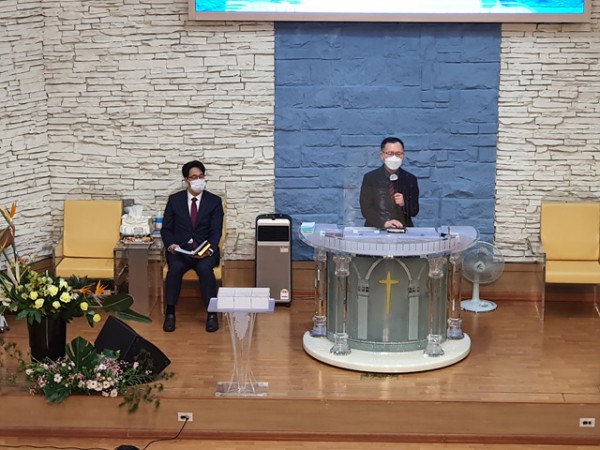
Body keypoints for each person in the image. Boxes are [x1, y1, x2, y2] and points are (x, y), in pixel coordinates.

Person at [161, 160, 224, 333]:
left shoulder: (214, 201)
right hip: (181, 251)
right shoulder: (175, 200)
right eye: (194, 177)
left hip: (205, 250)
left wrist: (208, 250)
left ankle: (212, 314)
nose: (198, 180)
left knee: (205, 269)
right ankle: (170, 313)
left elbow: (216, 232)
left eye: (201, 176)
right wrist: (171, 245)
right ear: (186, 180)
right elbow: (166, 229)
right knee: (175, 269)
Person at [359, 136, 419, 229]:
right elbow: (366, 209)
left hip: (402, 229)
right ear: (382, 155)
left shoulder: (410, 179)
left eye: (398, 153)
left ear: (403, 155)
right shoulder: (370, 178)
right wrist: (384, 223)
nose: (394, 157)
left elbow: (414, 211)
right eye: (390, 153)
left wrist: (404, 204)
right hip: (376, 229)